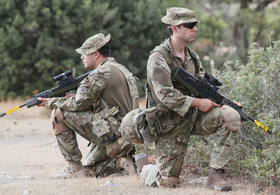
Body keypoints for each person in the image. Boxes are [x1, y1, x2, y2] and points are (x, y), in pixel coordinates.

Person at [134, 7, 241, 191]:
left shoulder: (192, 56)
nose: (195, 29)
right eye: (190, 25)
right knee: (169, 182)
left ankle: (216, 175)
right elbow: (165, 95)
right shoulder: (158, 57)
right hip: (169, 123)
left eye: (195, 25)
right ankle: (144, 166)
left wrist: (226, 103)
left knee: (230, 116)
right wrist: (197, 102)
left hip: (193, 117)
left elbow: (202, 88)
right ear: (174, 28)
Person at [37, 33, 139, 179]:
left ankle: (74, 168)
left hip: (115, 135)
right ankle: (121, 162)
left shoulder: (100, 73)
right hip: (130, 133)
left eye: (85, 53)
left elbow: (78, 104)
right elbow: (111, 103)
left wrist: (50, 102)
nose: (81, 57)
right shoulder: (120, 68)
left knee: (58, 113)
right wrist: (76, 98)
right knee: (93, 169)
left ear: (96, 54)